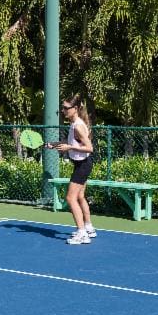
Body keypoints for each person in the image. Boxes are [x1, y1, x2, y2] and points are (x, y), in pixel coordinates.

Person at [52, 95, 95, 244]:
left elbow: (89, 148)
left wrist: (69, 147)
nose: (63, 110)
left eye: (66, 108)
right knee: (80, 196)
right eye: (62, 108)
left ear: (75, 109)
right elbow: (70, 142)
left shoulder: (77, 125)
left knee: (70, 198)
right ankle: (88, 227)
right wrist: (56, 144)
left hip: (83, 165)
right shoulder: (74, 123)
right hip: (83, 164)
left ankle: (82, 233)